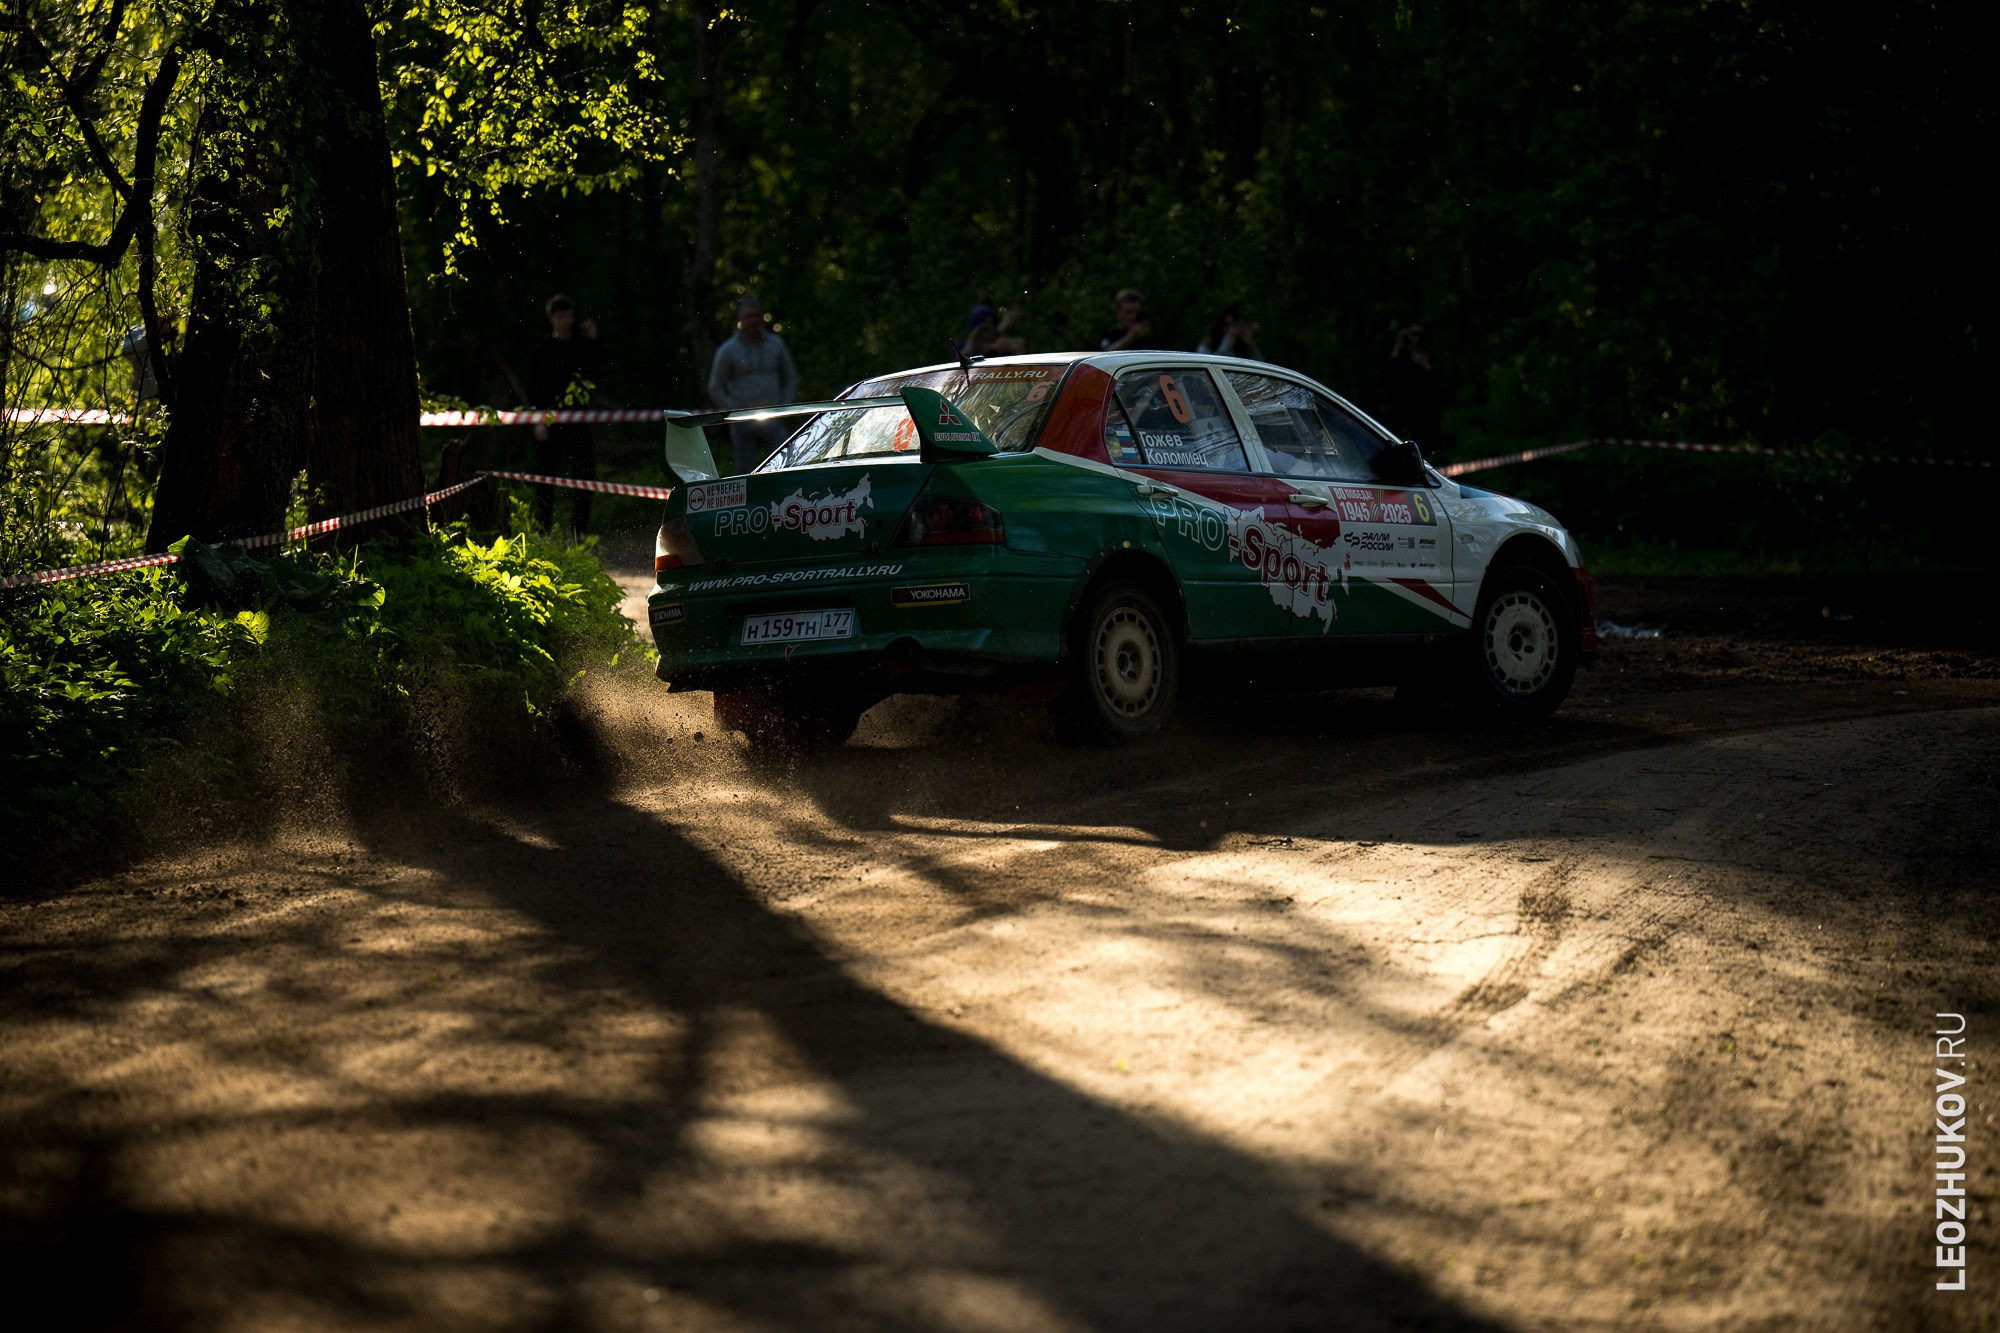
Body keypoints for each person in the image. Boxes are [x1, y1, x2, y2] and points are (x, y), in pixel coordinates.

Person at [526, 293, 609, 533]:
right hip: (550, 422)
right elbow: (534, 389)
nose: (566, 321)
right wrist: (537, 421)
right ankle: (543, 531)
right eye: (561, 316)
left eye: (569, 316)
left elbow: (602, 369)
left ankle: (578, 532)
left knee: (585, 475)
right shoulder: (543, 349)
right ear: (551, 318)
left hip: (579, 422)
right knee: (545, 479)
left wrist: (595, 341)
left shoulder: (582, 345)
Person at [707, 295, 800, 471]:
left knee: (786, 461)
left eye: (756, 315)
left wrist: (784, 406)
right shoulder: (728, 350)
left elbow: (791, 377)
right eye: (748, 315)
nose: (753, 319)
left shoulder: (775, 344)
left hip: (773, 418)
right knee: (746, 472)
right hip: (742, 422)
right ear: (740, 319)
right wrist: (732, 412)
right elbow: (715, 387)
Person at [1384, 322, 1445, 458]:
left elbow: (1437, 381)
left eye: (1419, 334)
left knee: (1424, 441)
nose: (1415, 338)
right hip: (1404, 405)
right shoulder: (1403, 356)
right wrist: (1400, 342)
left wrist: (1424, 365)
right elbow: (1392, 369)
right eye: (1413, 334)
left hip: (1424, 407)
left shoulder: (1428, 354)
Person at [1098, 288, 1158, 352]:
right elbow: (1105, 354)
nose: (1132, 316)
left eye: (1136, 312)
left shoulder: (1149, 337)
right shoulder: (1109, 335)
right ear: (1117, 312)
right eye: (1128, 312)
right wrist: (1131, 337)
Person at [1195, 305, 1261, 360]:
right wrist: (1228, 338)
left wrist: (1249, 343)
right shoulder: (1209, 343)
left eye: (1233, 325)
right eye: (1226, 325)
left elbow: (1259, 363)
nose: (1230, 330)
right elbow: (1217, 359)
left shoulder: (1241, 345)